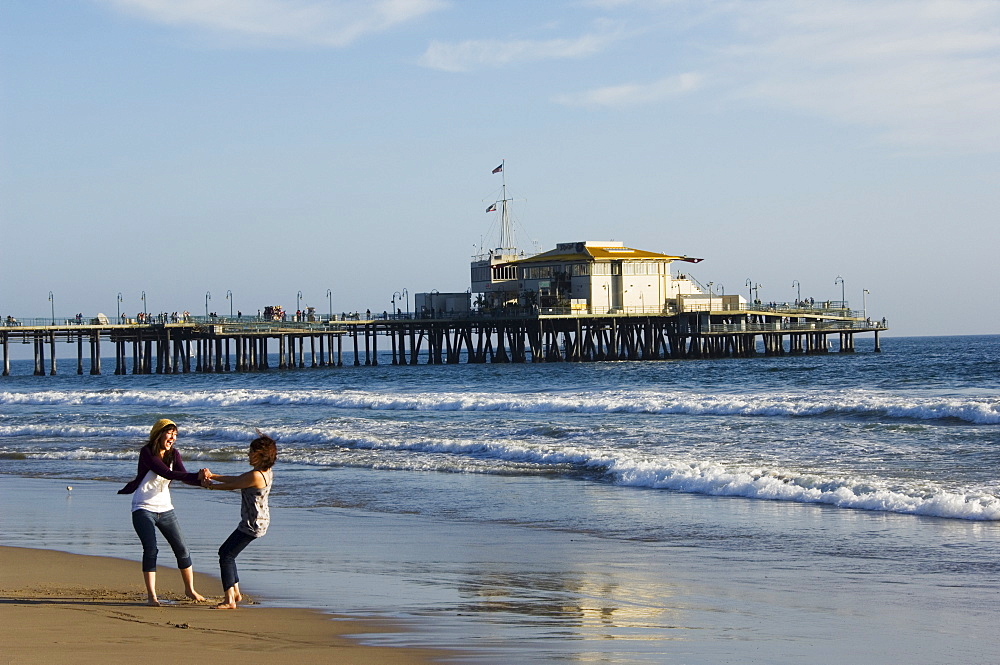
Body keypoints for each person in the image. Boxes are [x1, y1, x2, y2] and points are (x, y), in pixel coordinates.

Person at [118, 419, 208, 606]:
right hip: (143, 508)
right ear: (159, 434)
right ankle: (152, 596)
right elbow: (167, 473)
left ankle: (190, 590)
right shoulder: (147, 452)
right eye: (169, 433)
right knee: (151, 549)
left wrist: (203, 482)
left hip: (166, 509)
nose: (173, 438)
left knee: (182, 549)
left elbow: (183, 476)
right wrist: (196, 475)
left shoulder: (174, 454)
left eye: (175, 434)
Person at [202, 432, 277, 609]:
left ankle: (230, 600)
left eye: (251, 452)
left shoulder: (257, 476)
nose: (248, 455)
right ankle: (235, 593)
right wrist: (213, 476)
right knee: (228, 553)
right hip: (258, 520)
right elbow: (237, 479)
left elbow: (233, 485)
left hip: (253, 524)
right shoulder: (263, 472)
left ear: (261, 455)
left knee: (226, 555)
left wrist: (211, 486)